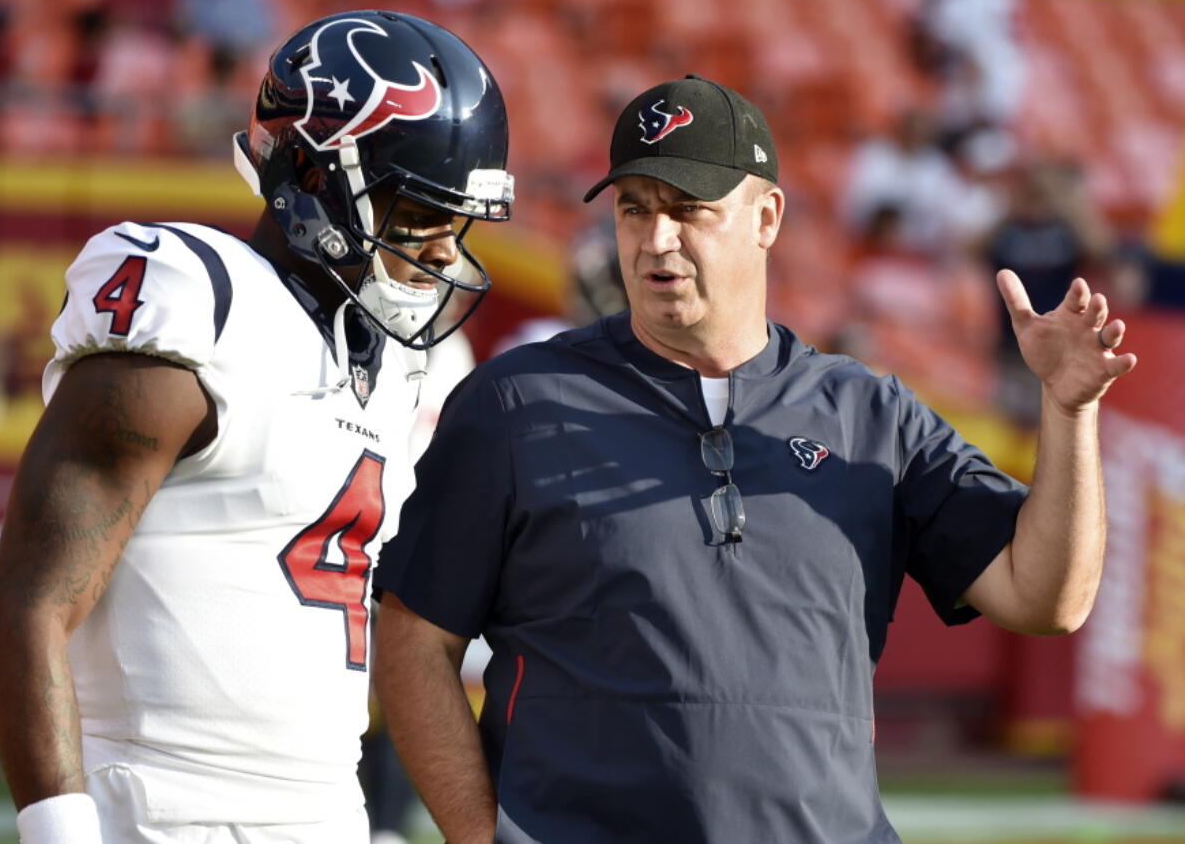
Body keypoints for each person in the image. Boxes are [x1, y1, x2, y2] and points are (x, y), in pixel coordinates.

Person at [372, 74, 1136, 843]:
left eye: (689, 209)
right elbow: (412, 638)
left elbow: (1048, 599)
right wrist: (480, 836)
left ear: (766, 216)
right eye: (634, 208)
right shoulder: (518, 402)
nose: (655, 238)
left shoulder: (873, 414)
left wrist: (1070, 412)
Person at [0, 10, 513, 843]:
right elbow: (29, 602)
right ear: (312, 176)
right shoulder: (203, 306)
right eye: (416, 216)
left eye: (456, 224)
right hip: (165, 810)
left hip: (326, 810)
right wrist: (60, 832)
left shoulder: (387, 363)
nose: (444, 253)